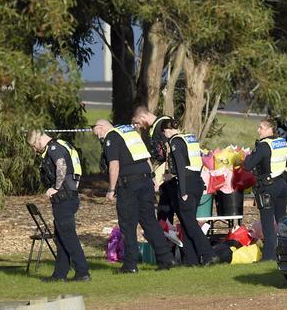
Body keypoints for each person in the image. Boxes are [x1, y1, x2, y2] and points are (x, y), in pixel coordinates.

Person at [92, 119, 177, 273]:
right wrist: (152, 179)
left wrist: (111, 189)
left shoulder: (112, 136)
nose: (97, 136)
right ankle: (166, 258)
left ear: (101, 127)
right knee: (149, 221)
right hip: (145, 181)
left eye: (95, 131)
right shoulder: (130, 134)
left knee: (127, 224)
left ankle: (130, 264)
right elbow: (146, 158)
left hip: (128, 185)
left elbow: (114, 165)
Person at [27, 131, 90, 282]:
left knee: (68, 236)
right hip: (67, 197)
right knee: (61, 236)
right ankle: (59, 274)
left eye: (34, 146)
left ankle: (82, 272)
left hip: (64, 198)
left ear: (38, 139)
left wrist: (55, 187)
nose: (35, 150)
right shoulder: (61, 145)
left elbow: (61, 165)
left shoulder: (54, 148)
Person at [161, 120, 218, 266]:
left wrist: (183, 191)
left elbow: (180, 166)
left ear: (167, 131)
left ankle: (208, 254)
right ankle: (191, 260)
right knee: (187, 223)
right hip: (196, 182)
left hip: (186, 184)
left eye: (164, 133)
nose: (165, 136)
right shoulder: (189, 138)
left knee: (190, 224)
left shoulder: (175, 141)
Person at [244, 118, 287, 261]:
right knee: (281, 222)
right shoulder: (282, 142)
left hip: (268, 187)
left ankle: (269, 256)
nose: (258, 130)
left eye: (261, 127)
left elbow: (248, 165)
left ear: (270, 129)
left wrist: (247, 156)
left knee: (268, 224)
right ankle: (286, 251)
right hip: (281, 184)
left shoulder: (263, 145)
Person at [132, 106, 176, 224]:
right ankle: (166, 235)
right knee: (164, 207)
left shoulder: (162, 125)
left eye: (138, 122)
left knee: (167, 208)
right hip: (164, 172)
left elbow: (170, 151)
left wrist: (165, 173)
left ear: (143, 116)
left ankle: (167, 235)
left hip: (169, 174)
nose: (139, 126)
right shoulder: (155, 126)